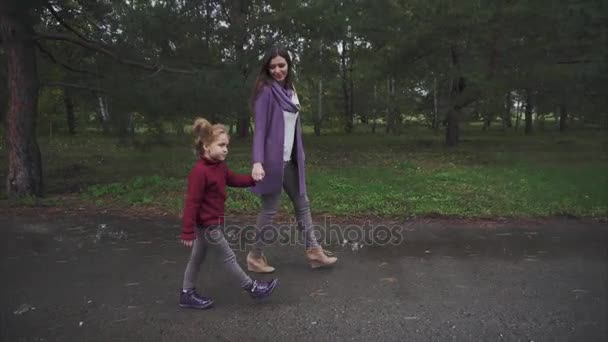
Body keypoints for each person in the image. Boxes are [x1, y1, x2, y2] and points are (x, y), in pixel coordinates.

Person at [247, 46, 338, 273]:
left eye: (282, 65)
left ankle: (314, 252)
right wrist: (257, 162)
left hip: (291, 161)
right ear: (267, 69)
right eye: (273, 66)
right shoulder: (265, 92)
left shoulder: (290, 91)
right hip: (272, 162)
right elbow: (259, 131)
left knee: (302, 203)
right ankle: (254, 257)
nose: (278, 70)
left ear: (288, 65)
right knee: (269, 210)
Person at [179, 118, 278, 310]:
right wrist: (187, 231)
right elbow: (192, 203)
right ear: (206, 146)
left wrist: (253, 179)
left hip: (211, 223)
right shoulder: (199, 172)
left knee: (196, 259)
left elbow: (233, 179)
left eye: (227, 146)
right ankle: (253, 288)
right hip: (207, 225)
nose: (225, 149)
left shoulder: (220, 167)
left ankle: (186, 293)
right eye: (221, 145)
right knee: (228, 257)